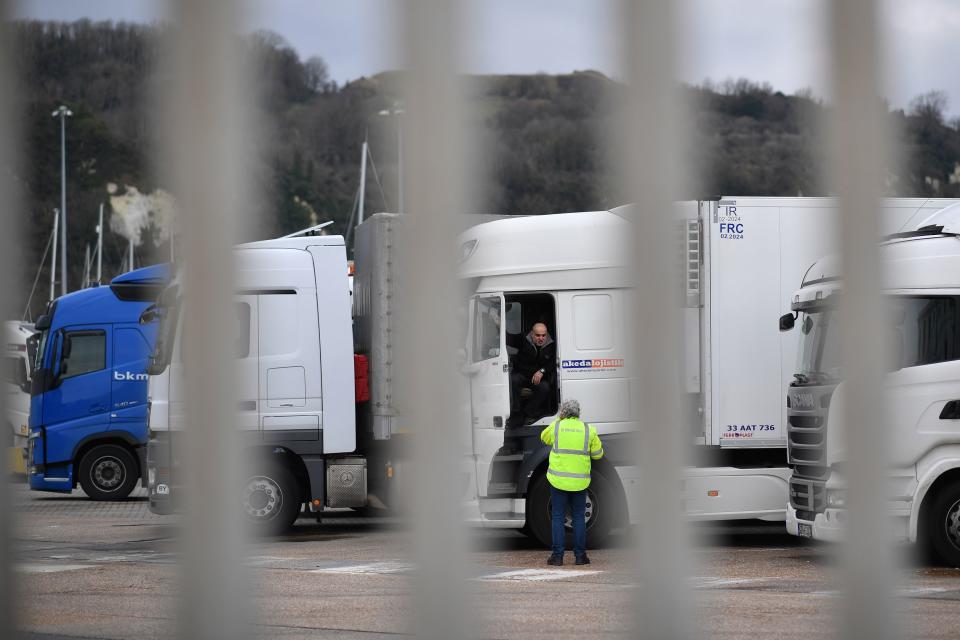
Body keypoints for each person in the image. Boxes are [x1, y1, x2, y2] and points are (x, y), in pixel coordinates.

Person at [539, 398, 603, 566]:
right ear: (578, 413)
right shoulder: (588, 430)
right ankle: (580, 556)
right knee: (579, 517)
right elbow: (598, 454)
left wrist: (558, 419)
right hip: (580, 483)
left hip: (558, 481)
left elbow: (543, 437)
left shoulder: (557, 426)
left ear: (563, 413)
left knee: (558, 517)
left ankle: (558, 557)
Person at [507, 322, 556, 426]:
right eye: (538, 335)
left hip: (537, 378)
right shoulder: (523, 339)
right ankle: (516, 412)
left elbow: (553, 362)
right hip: (522, 375)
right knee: (513, 379)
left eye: (543, 335)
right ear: (532, 334)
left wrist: (542, 371)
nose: (541, 338)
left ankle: (527, 412)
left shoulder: (551, 344)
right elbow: (508, 338)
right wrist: (498, 324)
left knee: (545, 388)